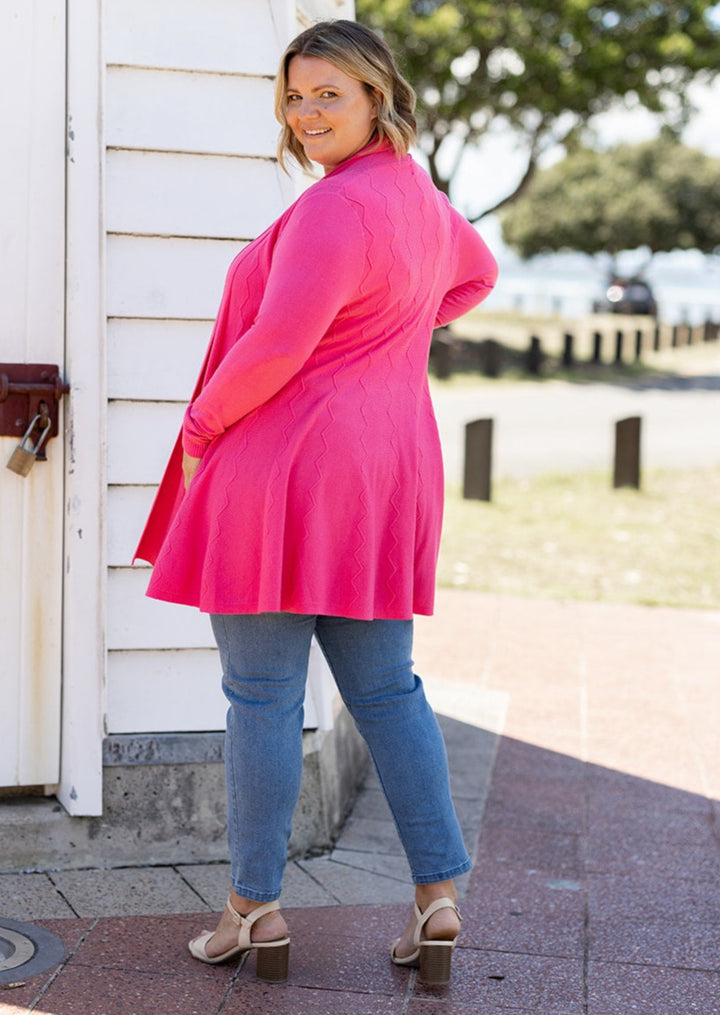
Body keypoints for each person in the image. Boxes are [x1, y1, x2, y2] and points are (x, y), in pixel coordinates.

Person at [134, 18, 497, 987]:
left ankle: (252, 910)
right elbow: (478, 273)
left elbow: (278, 346)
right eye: (294, 98)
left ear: (378, 95)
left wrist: (202, 432)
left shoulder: (337, 210)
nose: (306, 115)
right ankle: (438, 897)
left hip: (285, 468)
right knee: (387, 691)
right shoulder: (421, 201)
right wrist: (387, 338)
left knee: (261, 696)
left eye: (327, 94)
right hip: (386, 467)